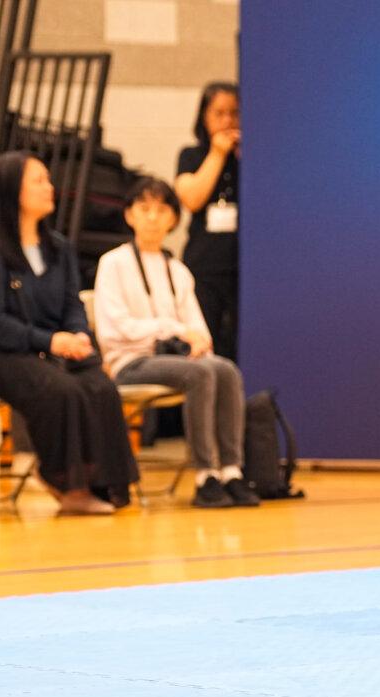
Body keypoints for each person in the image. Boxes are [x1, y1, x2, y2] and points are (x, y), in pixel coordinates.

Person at [0, 151, 138, 514]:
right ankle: (67, 483)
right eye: (39, 181)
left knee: (100, 385)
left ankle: (106, 484)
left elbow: (72, 305)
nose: (50, 188)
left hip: (52, 349)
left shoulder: (59, 247)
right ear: (13, 191)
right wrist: (49, 341)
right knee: (60, 389)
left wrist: (77, 335)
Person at [94, 177, 259, 509]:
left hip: (176, 361)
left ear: (173, 218)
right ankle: (204, 476)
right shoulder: (113, 263)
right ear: (129, 216)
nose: (152, 217)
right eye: (144, 209)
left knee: (224, 368)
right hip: (131, 363)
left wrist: (196, 342)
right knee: (199, 374)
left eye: (161, 209)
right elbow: (116, 329)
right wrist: (170, 329)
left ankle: (230, 470)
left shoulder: (178, 270)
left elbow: (198, 329)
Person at [175, 82, 241, 362]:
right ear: (204, 116)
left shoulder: (250, 157)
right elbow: (191, 198)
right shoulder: (191, 155)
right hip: (205, 266)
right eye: (219, 113)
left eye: (234, 113)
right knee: (206, 340)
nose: (227, 120)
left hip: (242, 267)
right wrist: (218, 153)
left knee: (236, 343)